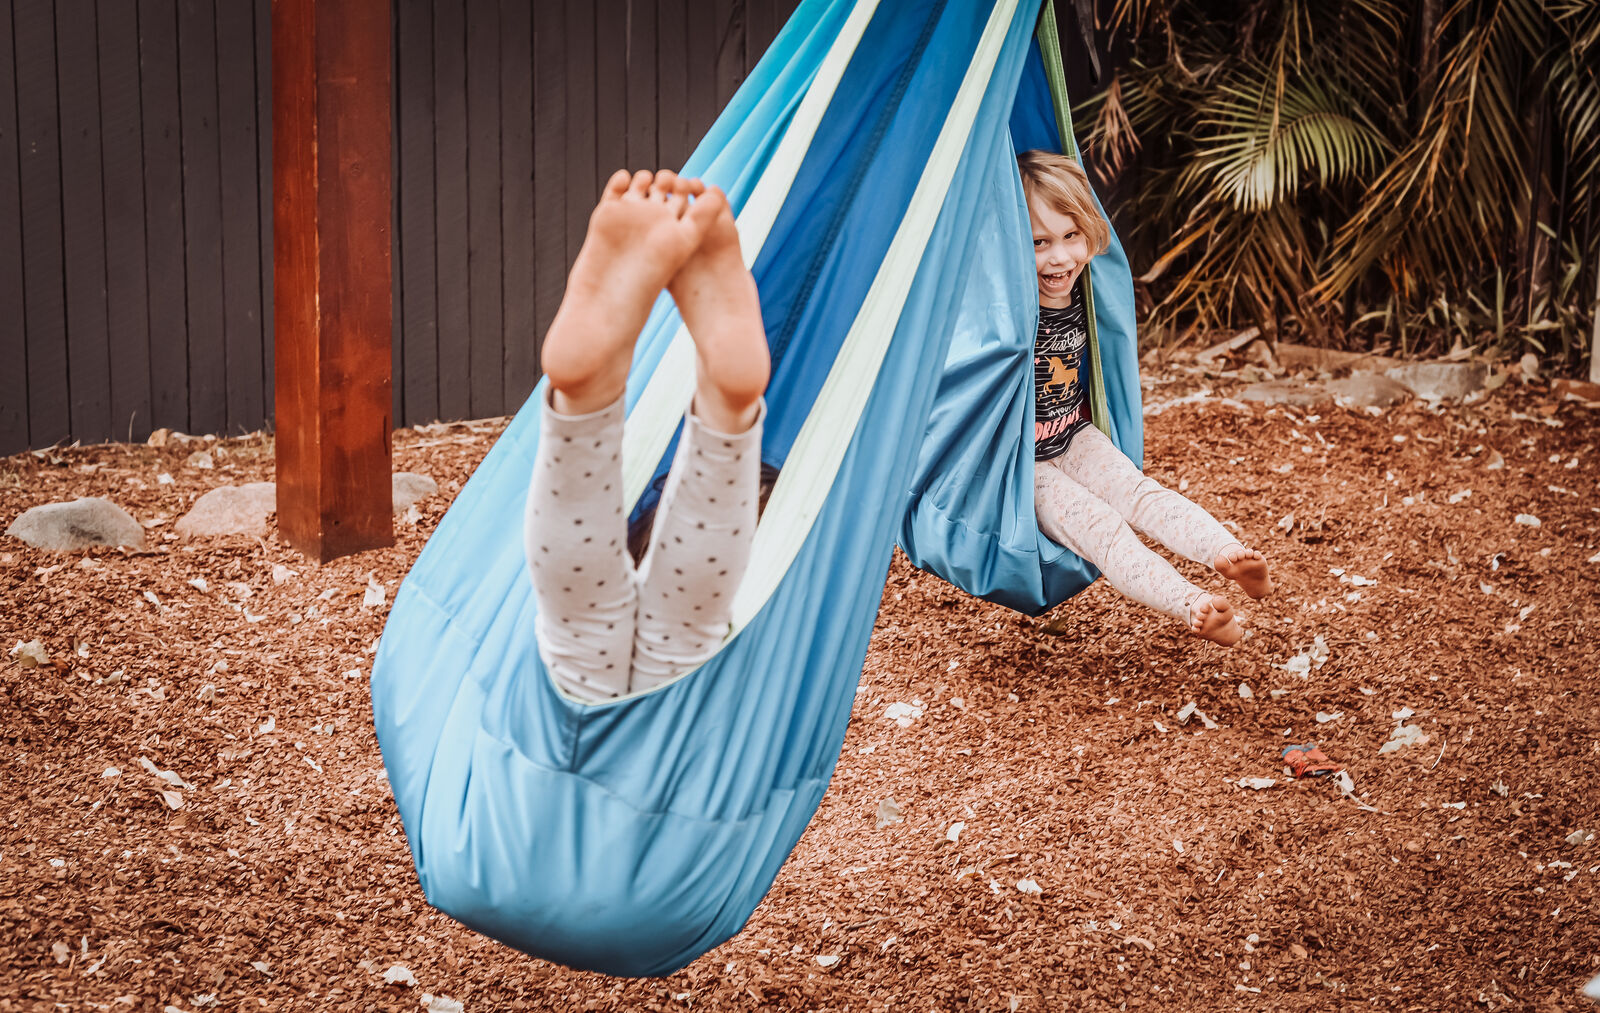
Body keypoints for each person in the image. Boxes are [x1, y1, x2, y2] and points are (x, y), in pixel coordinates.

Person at [525, 169, 770, 702]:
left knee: (598, 631)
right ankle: (721, 410)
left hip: (685, 773)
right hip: (688, 771)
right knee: (643, 642)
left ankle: (588, 402)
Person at [1019, 150, 1273, 645]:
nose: (1060, 257)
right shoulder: (1009, 310)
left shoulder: (1089, 290)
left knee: (1138, 493)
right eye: (1039, 242)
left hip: (1072, 435)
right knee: (1101, 528)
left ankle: (1226, 553)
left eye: (1071, 236)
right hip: (1025, 469)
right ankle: (1193, 605)